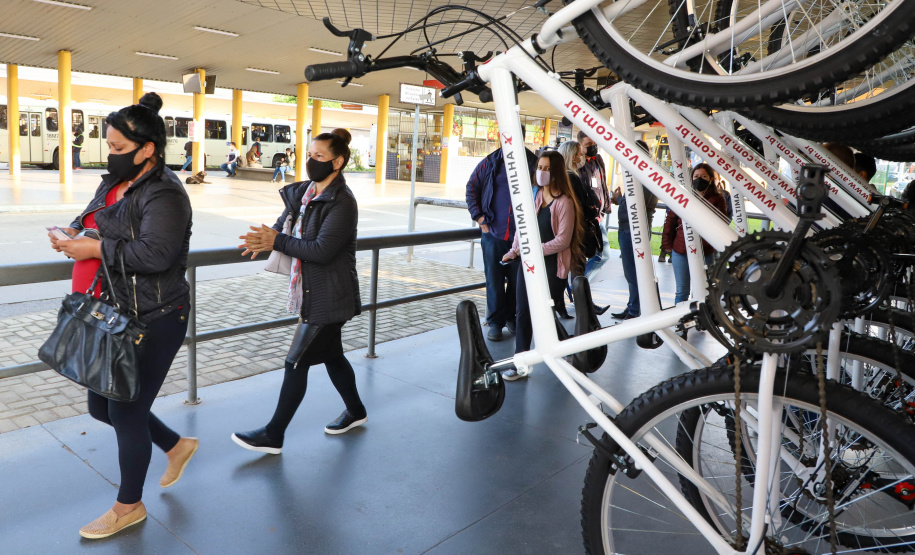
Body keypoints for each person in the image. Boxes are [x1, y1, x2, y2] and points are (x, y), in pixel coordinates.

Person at [47, 92, 197, 540]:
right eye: (108, 145)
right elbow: (97, 215)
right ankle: (175, 445)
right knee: (101, 405)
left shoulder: (165, 193)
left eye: (118, 148)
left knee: (126, 410)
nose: (110, 154)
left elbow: (157, 254)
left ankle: (129, 506)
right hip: (114, 311)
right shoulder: (118, 179)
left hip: (156, 315)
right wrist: (74, 230)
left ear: (147, 149)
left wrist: (94, 247)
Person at [233, 131, 367, 453]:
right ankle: (356, 411)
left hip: (331, 295)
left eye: (319, 157)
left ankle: (273, 434)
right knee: (332, 356)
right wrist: (264, 238)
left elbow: (321, 250)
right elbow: (281, 228)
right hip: (313, 291)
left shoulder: (343, 202)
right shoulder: (304, 194)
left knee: (295, 362)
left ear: (338, 162)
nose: (311, 161)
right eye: (309, 155)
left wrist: (276, 241)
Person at [501, 151, 584, 380]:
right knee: (523, 312)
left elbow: (563, 240)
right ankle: (521, 363)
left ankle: (569, 350)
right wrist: (514, 251)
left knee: (543, 314)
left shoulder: (565, 202)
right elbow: (522, 230)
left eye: (547, 168)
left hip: (552, 268)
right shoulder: (535, 196)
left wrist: (532, 251)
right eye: (540, 167)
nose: (542, 172)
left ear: (556, 172)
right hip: (529, 265)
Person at [466, 129, 538, 341]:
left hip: (521, 237)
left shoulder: (533, 163)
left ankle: (511, 317)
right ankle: (495, 323)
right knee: (494, 280)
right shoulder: (490, 162)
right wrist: (479, 218)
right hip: (493, 234)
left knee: (518, 281)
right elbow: (471, 188)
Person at [662, 163, 728, 329]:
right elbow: (670, 220)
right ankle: (680, 324)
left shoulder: (717, 199)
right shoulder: (683, 195)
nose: (699, 180)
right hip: (681, 250)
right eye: (696, 176)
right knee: (682, 291)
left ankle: (700, 322)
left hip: (705, 252)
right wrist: (667, 244)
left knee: (702, 291)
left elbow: (722, 222)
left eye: (703, 177)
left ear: (711, 179)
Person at [557, 140, 606, 316]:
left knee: (574, 269)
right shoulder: (571, 177)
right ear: (571, 156)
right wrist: (592, 210)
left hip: (571, 230)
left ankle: (578, 305)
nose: (582, 156)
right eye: (578, 153)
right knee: (578, 270)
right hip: (576, 231)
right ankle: (584, 307)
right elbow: (578, 205)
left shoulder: (567, 176)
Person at [611, 140, 658, 320]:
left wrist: (618, 199)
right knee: (631, 273)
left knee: (634, 273)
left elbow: (636, 205)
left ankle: (635, 309)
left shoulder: (646, 176)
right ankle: (633, 306)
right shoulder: (638, 175)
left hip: (634, 230)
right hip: (628, 229)